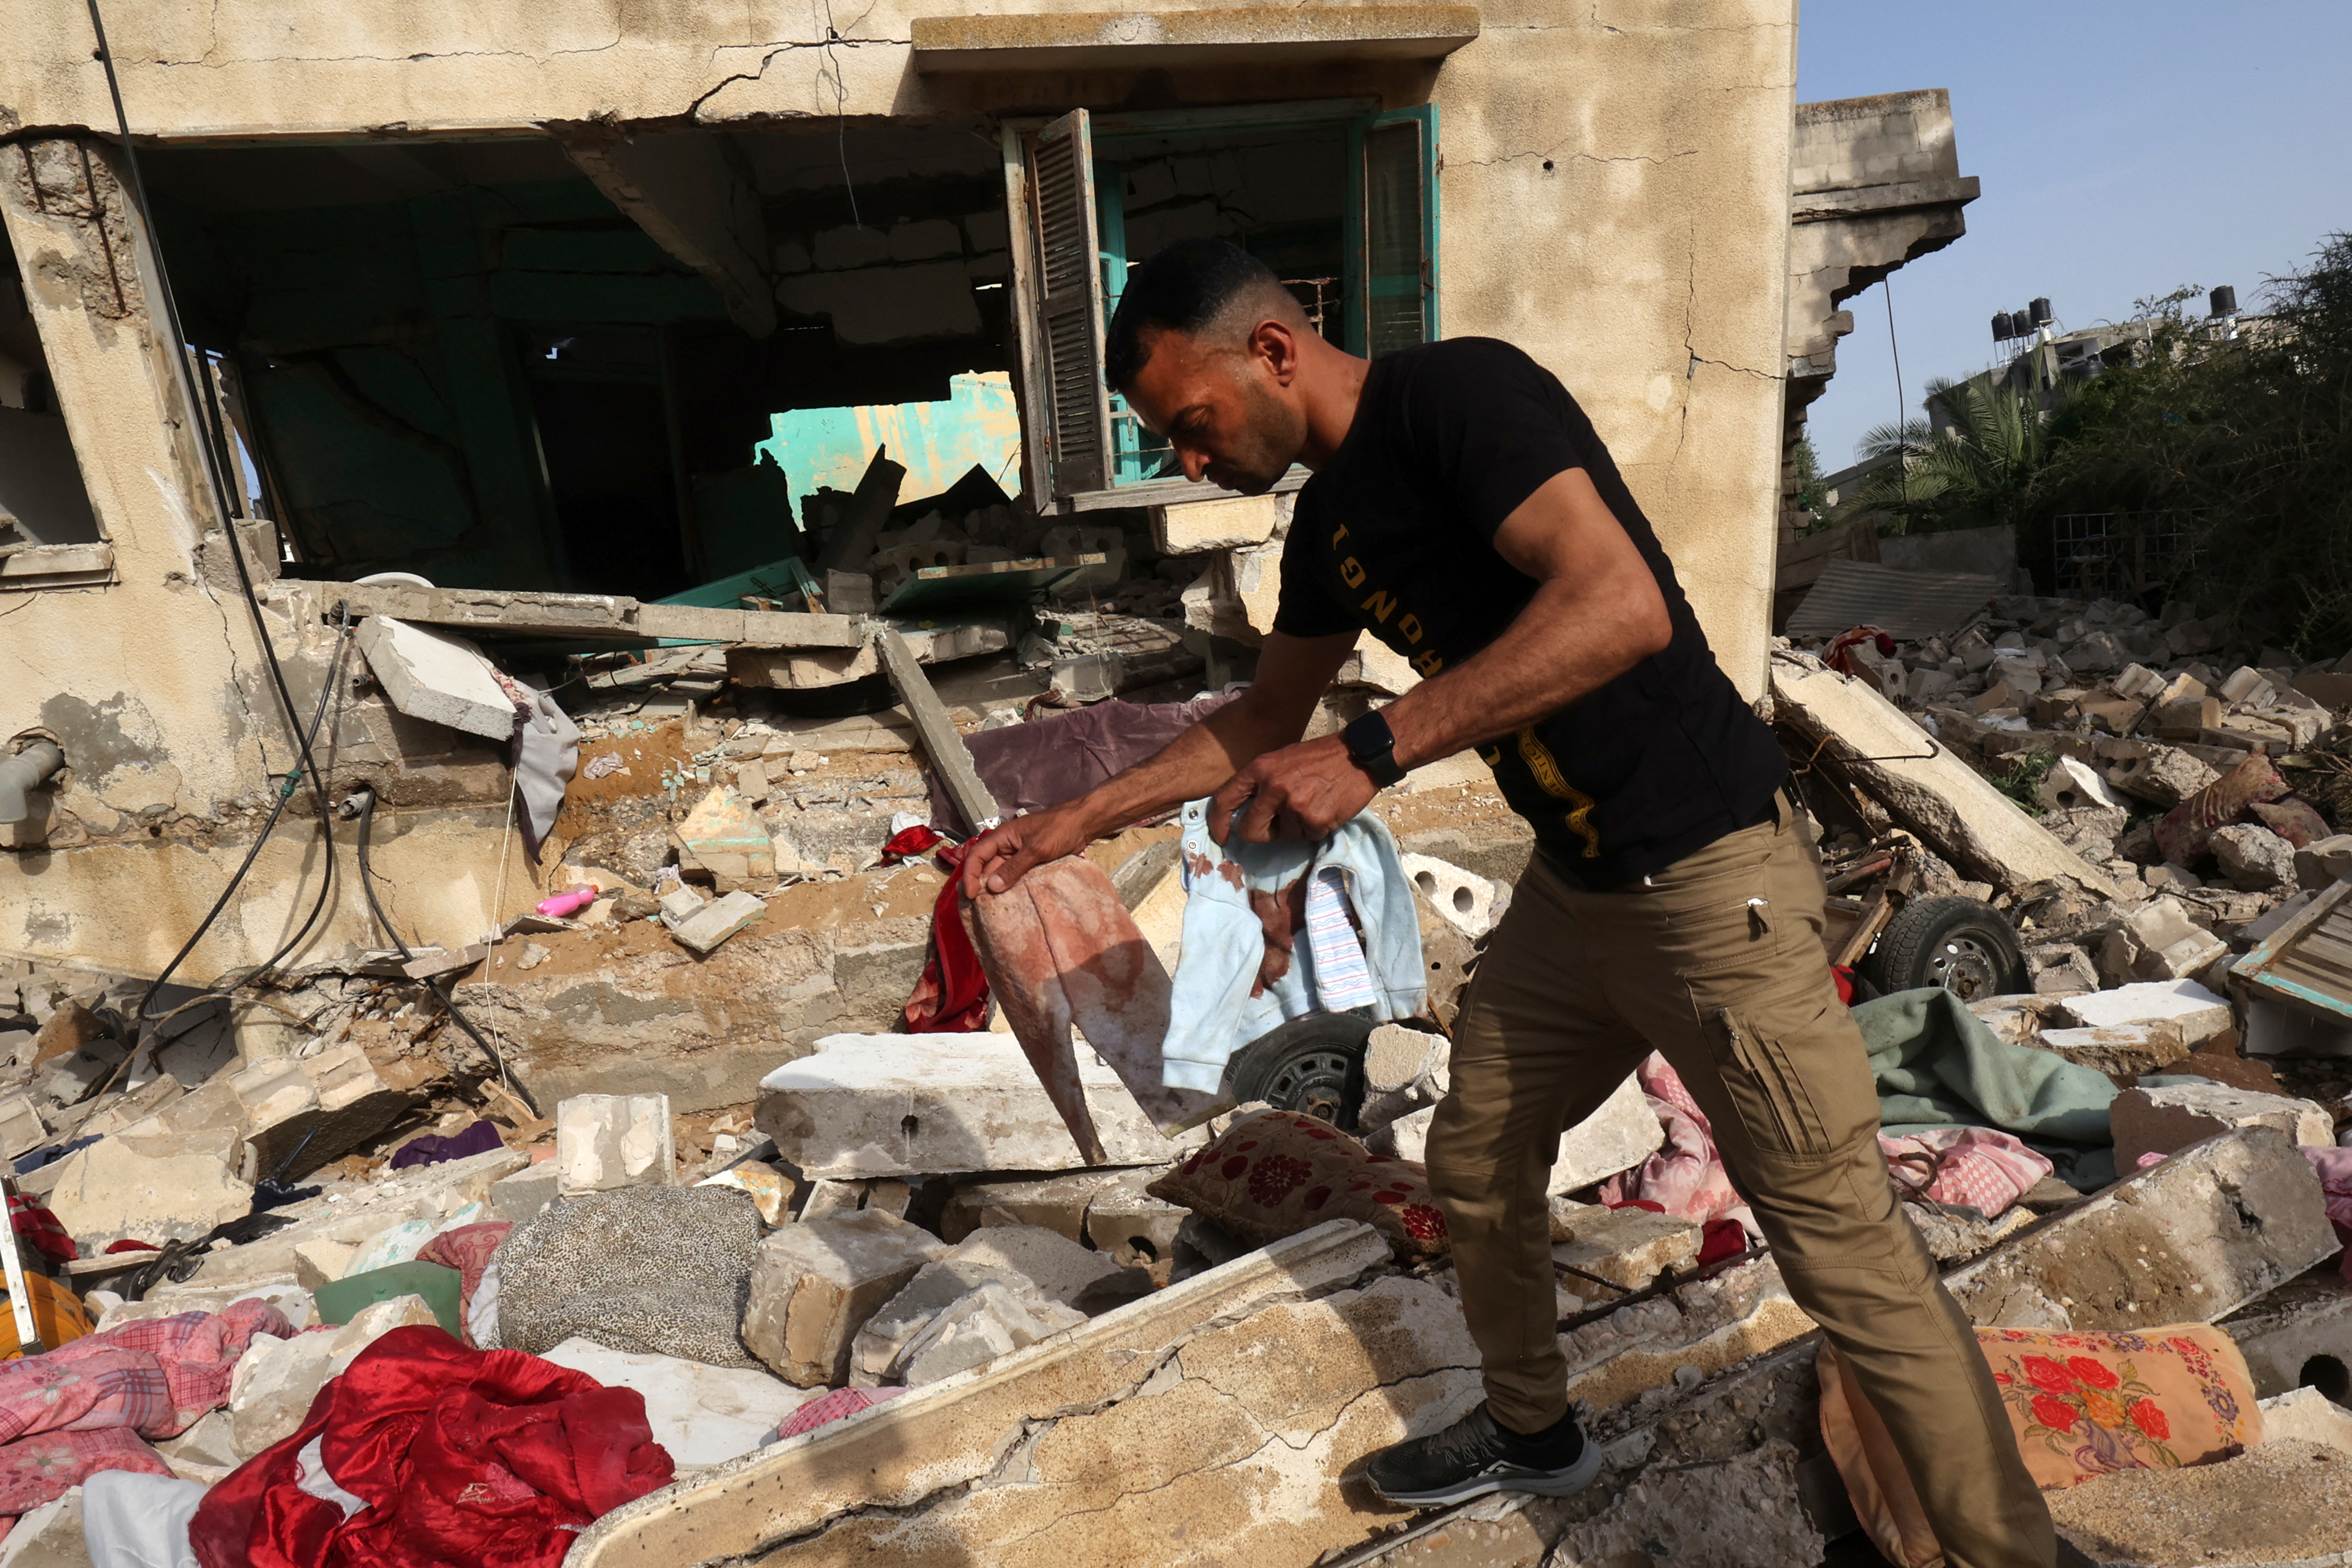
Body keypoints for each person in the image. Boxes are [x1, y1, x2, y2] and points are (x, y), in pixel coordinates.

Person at [962, 237, 2054, 1565]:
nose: (1188, 463)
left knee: (1846, 1261)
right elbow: (1260, 716)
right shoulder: (1328, 526)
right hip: (1577, 891)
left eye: (1189, 427)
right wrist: (1063, 823)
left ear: (1271, 350)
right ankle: (1534, 1430)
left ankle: (2013, 1554)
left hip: (1710, 881)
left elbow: (1618, 606)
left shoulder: (1457, 401)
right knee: (1477, 1160)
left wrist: (1373, 751)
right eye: (1166, 446)